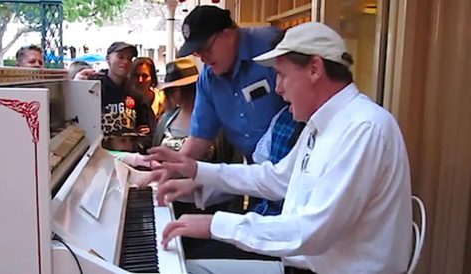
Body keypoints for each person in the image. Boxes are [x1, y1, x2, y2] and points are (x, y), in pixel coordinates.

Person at [141, 22, 413, 274]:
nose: (278, 89)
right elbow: (275, 178)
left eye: (282, 75)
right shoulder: (321, 124)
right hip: (302, 262)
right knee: (186, 258)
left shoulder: (363, 129)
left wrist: (215, 224)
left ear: (315, 69)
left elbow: (311, 232)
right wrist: (197, 170)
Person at [176, 5, 286, 161]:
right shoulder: (208, 80)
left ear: (229, 35)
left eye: (206, 49)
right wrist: (170, 168)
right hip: (256, 170)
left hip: (297, 161)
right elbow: (198, 139)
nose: (203, 58)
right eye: (197, 53)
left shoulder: (272, 47)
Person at [77, 42, 156, 152]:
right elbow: (77, 117)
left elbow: (148, 131)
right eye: (121, 57)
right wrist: (77, 85)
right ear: (108, 59)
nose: (125, 62)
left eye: (129, 58)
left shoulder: (135, 91)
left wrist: (136, 145)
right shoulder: (94, 86)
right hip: (96, 153)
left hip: (129, 156)